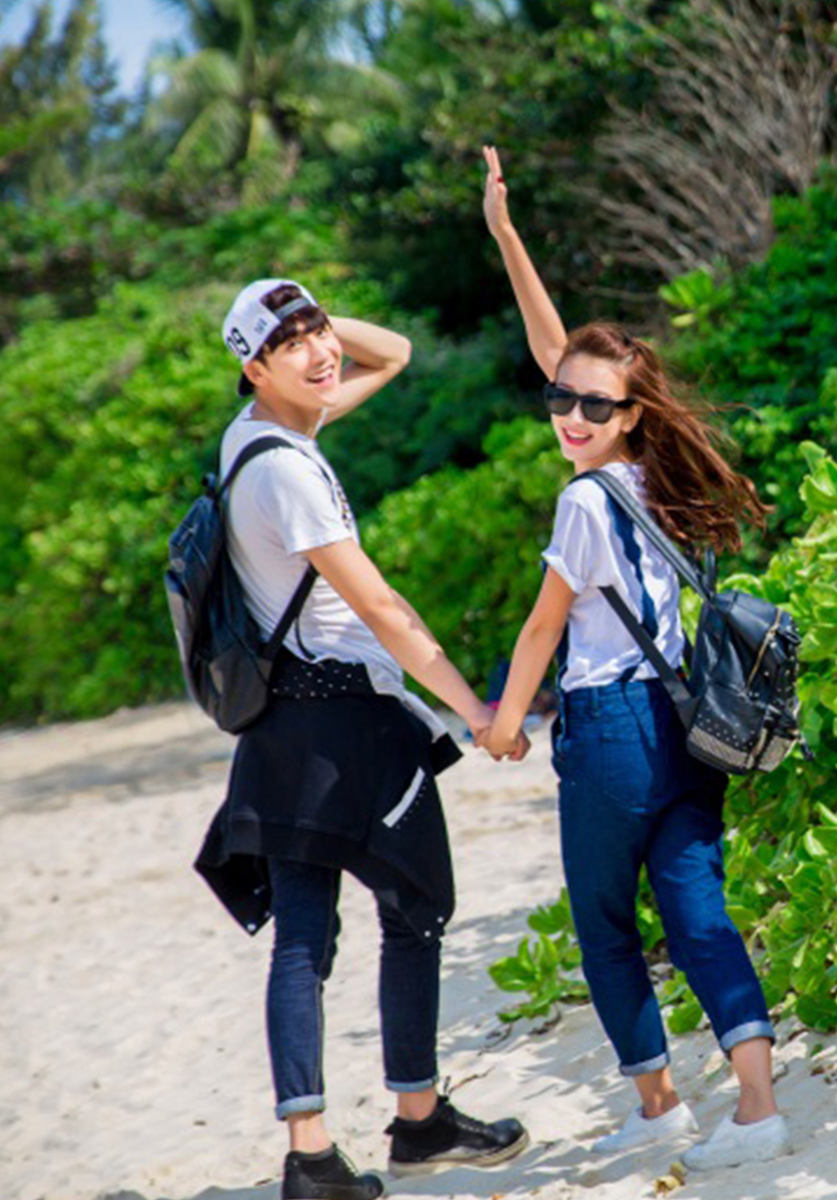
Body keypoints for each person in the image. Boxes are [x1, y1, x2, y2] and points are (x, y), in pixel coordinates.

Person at [477, 145, 790, 1171]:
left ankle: (660, 1110)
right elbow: (562, 354)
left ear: (631, 415)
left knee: (608, 927)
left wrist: (505, 723)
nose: (571, 418)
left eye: (593, 408)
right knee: (700, 919)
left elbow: (542, 629)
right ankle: (759, 1110)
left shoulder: (583, 499)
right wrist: (508, 237)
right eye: (561, 403)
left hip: (611, 732)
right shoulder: (658, 476)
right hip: (683, 726)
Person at [194, 279, 531, 1200]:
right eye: (290, 344)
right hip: (349, 720)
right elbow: (379, 605)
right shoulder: (289, 471)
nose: (320, 352)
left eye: (319, 331)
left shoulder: (253, 439)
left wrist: (301, 322)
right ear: (253, 369)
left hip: (283, 727)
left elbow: (396, 354)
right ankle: (418, 1122)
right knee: (417, 906)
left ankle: (311, 1158)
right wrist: (475, 711)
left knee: (305, 936)